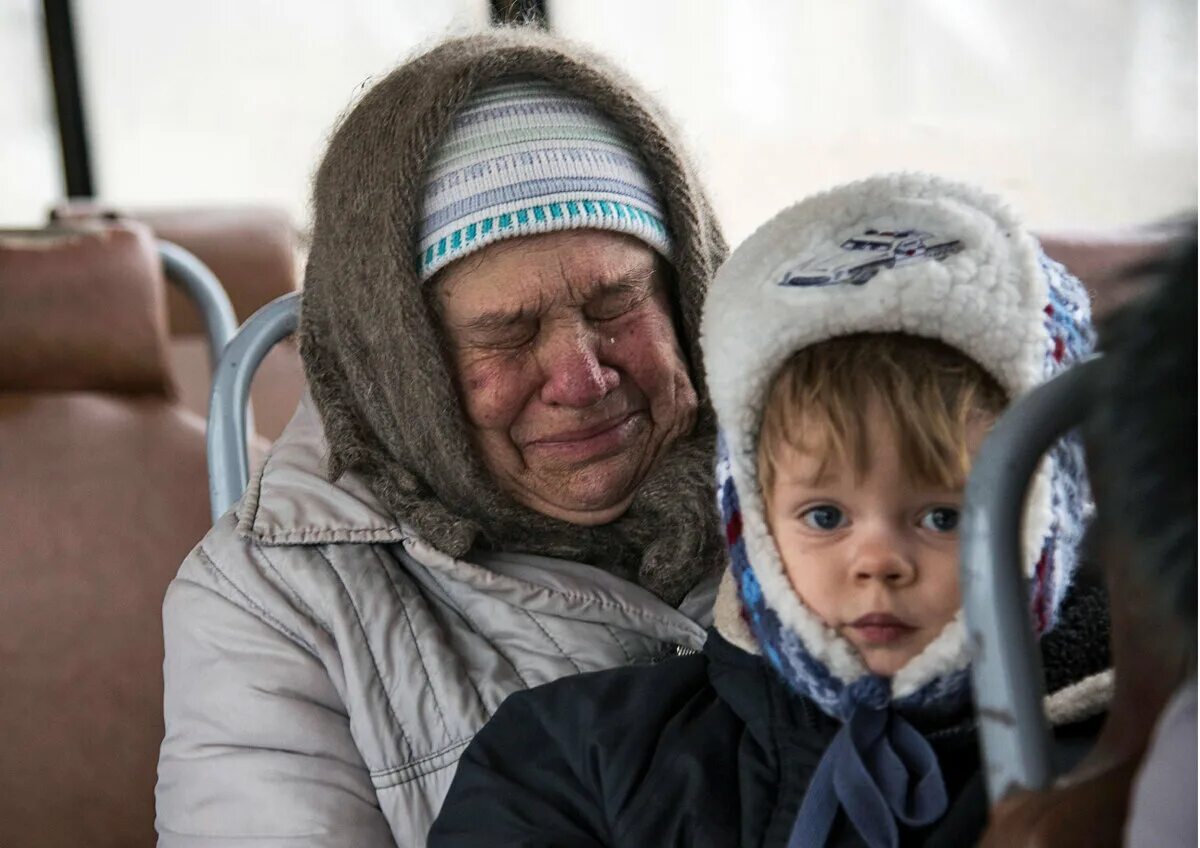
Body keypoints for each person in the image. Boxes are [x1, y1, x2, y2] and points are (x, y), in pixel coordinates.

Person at [155, 29, 729, 847]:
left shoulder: (840, 479)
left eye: (616, 305)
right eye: (507, 333)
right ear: (404, 366)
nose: (582, 378)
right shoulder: (268, 607)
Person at [428, 174, 1114, 847]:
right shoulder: (579, 754)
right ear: (752, 517)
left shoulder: (1133, 761)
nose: (877, 564)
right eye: (824, 517)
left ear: (1045, 521)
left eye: (944, 517)